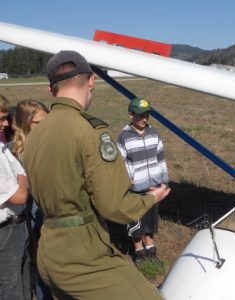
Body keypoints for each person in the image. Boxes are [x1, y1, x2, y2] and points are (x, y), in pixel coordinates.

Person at [23, 50, 170, 299]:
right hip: (82, 256)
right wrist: (151, 198)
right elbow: (114, 205)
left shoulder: (36, 132)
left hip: (48, 250)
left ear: (51, 90)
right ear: (91, 80)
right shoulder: (92, 131)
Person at [9, 99, 52, 300]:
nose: (44, 127)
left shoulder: (52, 144)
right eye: (37, 123)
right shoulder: (12, 152)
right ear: (25, 123)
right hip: (25, 216)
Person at [117, 97, 169, 261]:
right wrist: (127, 180)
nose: (144, 119)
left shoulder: (154, 133)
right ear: (131, 114)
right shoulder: (124, 137)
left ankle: (150, 249)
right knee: (136, 222)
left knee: (151, 221)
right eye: (140, 115)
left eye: (147, 115)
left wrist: (164, 180)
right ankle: (139, 252)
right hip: (135, 190)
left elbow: (161, 158)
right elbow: (121, 162)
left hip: (153, 187)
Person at [0, 137, 31, 300]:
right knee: (10, 288)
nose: (5, 123)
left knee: (23, 283)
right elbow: (20, 196)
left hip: (18, 225)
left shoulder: (3, 149)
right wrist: (21, 174)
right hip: (5, 231)